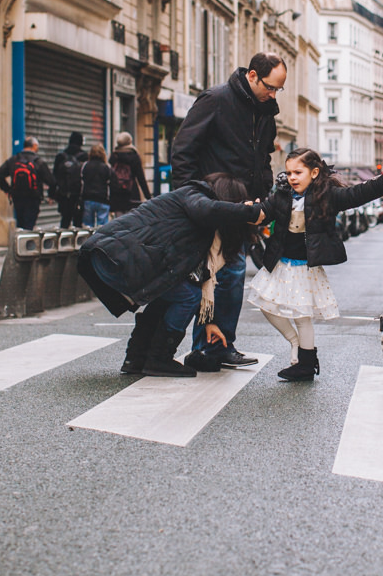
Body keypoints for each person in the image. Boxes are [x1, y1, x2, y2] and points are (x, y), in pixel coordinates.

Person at [77, 173, 265, 377]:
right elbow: (208, 210)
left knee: (169, 295)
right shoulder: (193, 193)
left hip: (116, 255)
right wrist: (249, 211)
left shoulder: (202, 222)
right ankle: (159, 358)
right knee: (188, 296)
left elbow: (201, 276)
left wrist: (210, 322)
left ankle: (136, 358)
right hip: (115, 254)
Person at [169, 52, 286, 371]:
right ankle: (206, 347)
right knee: (217, 275)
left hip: (243, 207)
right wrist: (188, 197)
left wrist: (263, 200)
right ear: (252, 75)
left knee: (229, 276)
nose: (273, 94)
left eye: (278, 90)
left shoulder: (265, 112)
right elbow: (183, 151)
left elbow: (262, 159)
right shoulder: (216, 100)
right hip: (210, 202)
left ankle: (216, 345)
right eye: (270, 87)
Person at [249, 148, 383, 382]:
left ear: (315, 172)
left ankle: (306, 365)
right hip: (279, 262)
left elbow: (356, 194)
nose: (292, 177)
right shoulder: (282, 194)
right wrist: (251, 210)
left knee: (302, 317)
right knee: (266, 305)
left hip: (304, 266)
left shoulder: (327, 195)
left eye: (298, 172)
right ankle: (295, 343)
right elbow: (265, 212)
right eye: (288, 173)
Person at [0, 137, 56, 230]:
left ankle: (20, 241)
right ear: (34, 146)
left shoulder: (13, 160)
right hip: (33, 199)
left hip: (17, 198)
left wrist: (8, 190)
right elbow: (52, 182)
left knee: (21, 224)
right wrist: (51, 196)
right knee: (29, 225)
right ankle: (26, 242)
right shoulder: (38, 162)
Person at [108, 132, 150, 216]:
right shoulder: (134, 156)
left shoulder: (113, 156)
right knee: (130, 222)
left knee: (118, 222)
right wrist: (148, 196)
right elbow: (140, 177)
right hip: (131, 193)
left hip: (117, 194)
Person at [80, 144, 121, 227]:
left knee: (88, 225)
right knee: (102, 226)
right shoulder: (107, 167)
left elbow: (81, 182)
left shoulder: (85, 166)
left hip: (88, 198)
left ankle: (88, 239)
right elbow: (114, 185)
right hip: (103, 199)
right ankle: (101, 240)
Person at [53, 132, 88, 227]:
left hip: (63, 194)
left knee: (65, 219)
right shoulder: (84, 157)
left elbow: (55, 176)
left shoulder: (60, 157)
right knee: (78, 221)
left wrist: (52, 194)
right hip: (78, 194)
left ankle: (62, 240)